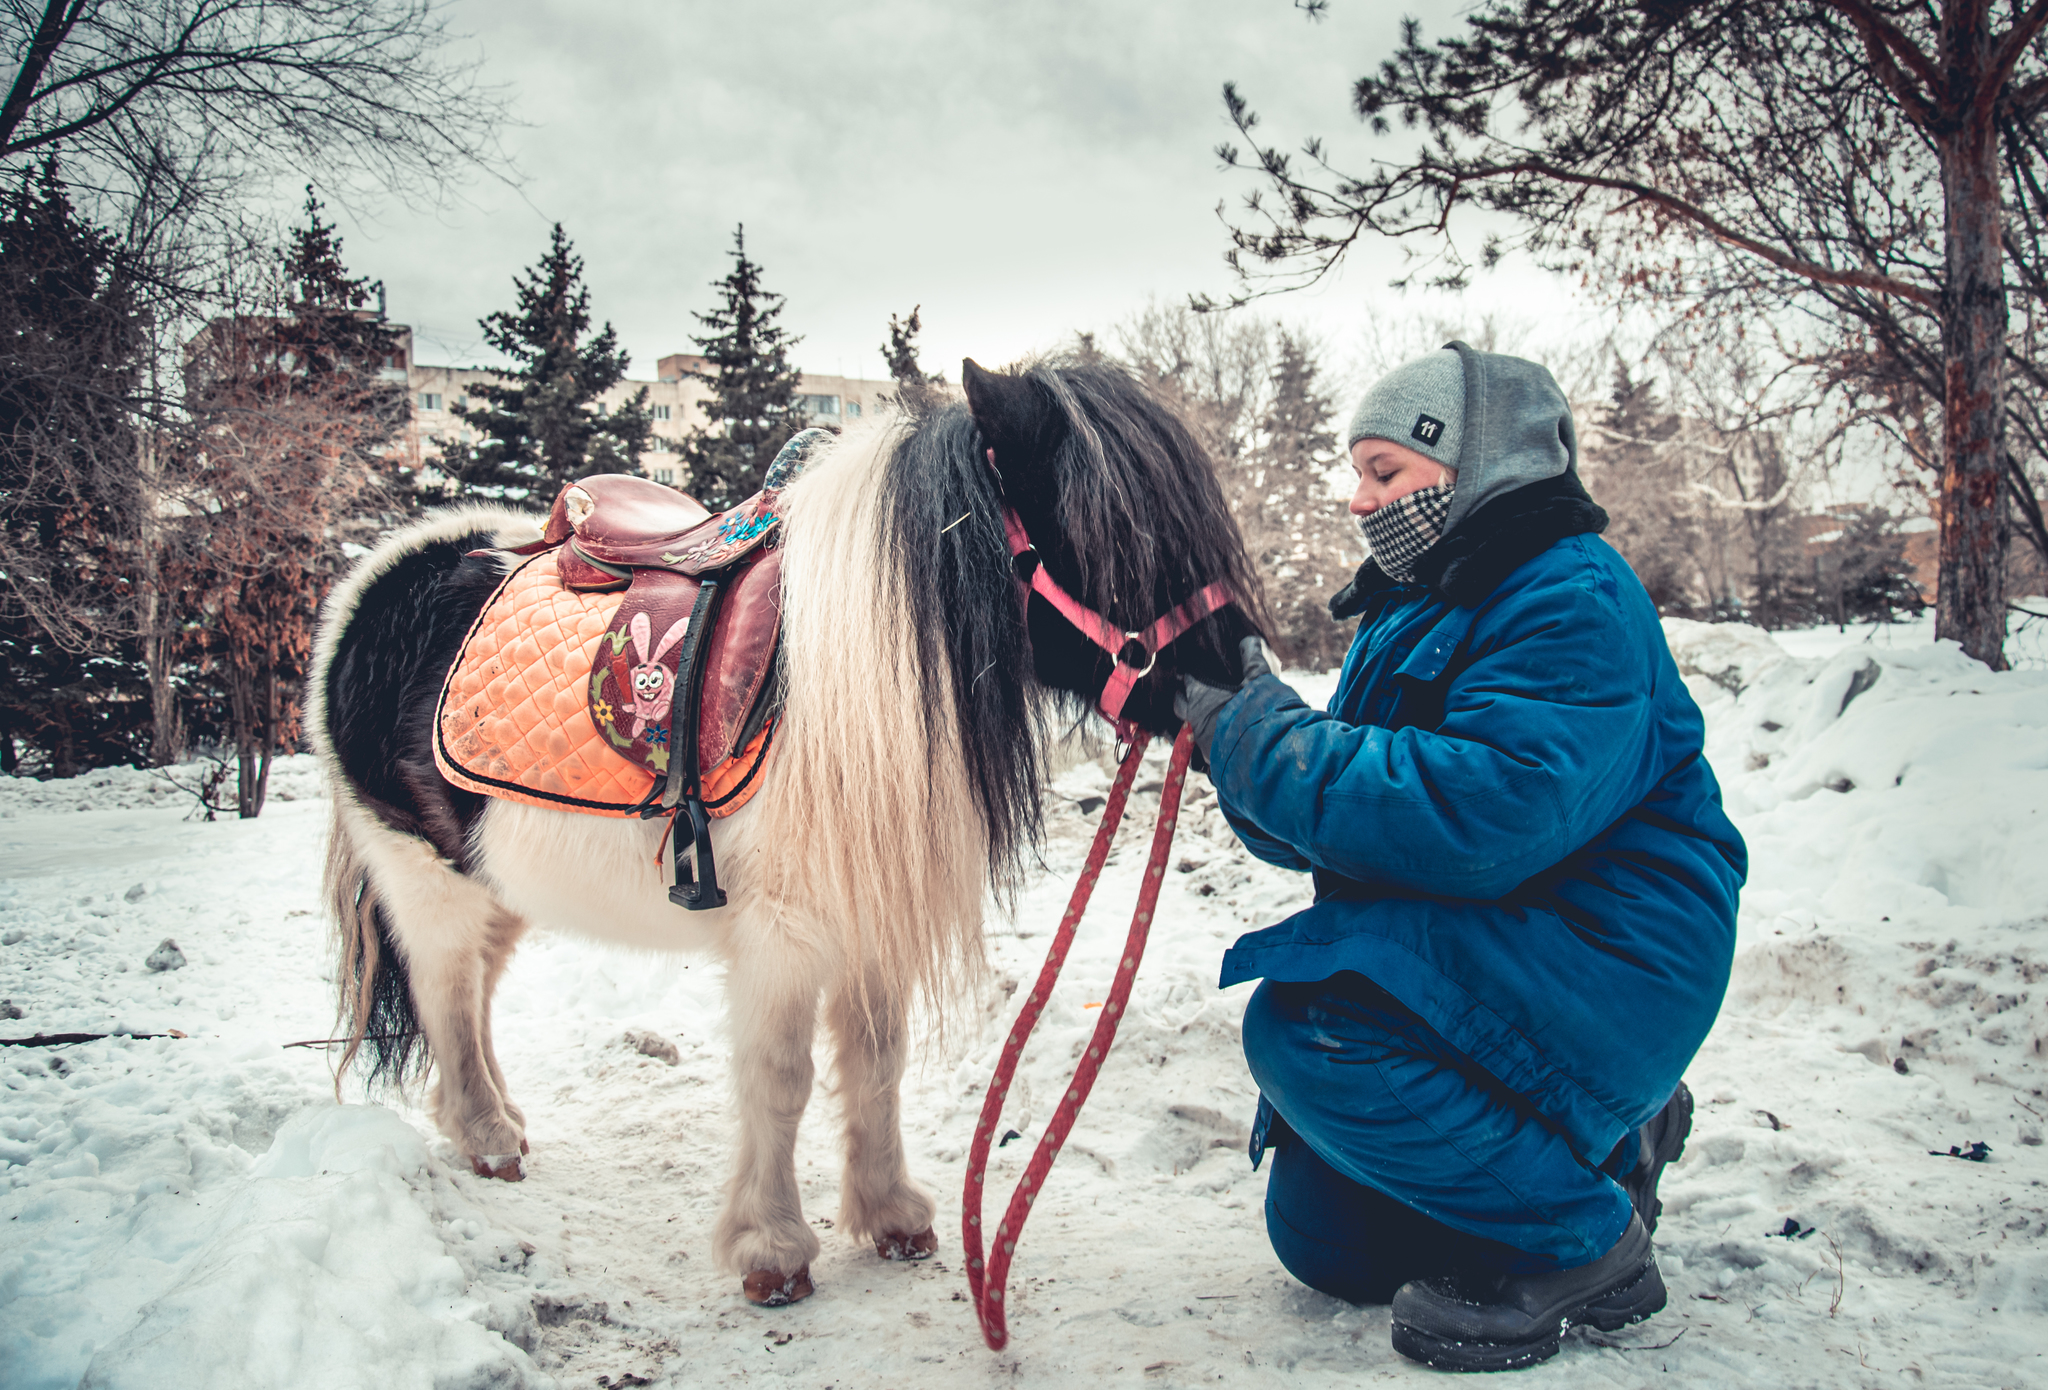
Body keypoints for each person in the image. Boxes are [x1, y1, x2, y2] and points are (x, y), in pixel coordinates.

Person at [1176, 343, 1745, 1373]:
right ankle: (1611, 1142)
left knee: (1314, 1031)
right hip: (1510, 949)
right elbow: (1349, 819)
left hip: (1611, 954)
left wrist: (1256, 736)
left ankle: (1586, 1244)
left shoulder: (1568, 595)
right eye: (1354, 473)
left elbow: (1480, 819)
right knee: (1325, 1242)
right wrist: (1224, 731)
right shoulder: (1416, 603)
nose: (1357, 499)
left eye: (1382, 472)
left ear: (1476, 461)